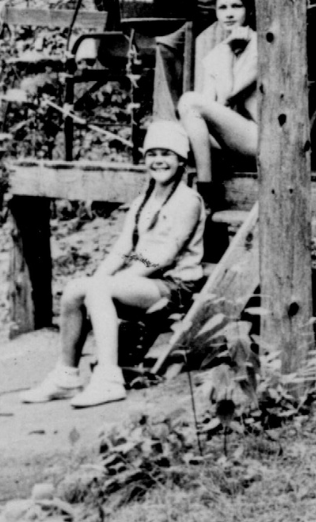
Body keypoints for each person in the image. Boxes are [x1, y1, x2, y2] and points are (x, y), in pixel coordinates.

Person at [20, 120, 205, 408]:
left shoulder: (188, 200)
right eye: (152, 153)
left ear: (181, 160)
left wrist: (121, 278)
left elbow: (165, 255)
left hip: (174, 287)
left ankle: (108, 379)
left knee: (100, 291)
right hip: (143, 281)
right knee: (75, 289)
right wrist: (99, 277)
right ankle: (66, 375)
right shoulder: (143, 200)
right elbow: (123, 248)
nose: (159, 160)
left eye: (167, 154)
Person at [178, 0, 259, 193]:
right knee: (180, 130)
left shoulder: (260, 45)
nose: (229, 14)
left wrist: (227, 51)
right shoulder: (217, 53)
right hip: (231, 141)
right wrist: (224, 51)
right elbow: (209, 108)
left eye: (236, 6)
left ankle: (206, 187)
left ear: (249, 10)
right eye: (222, 8)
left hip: (259, 138)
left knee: (188, 100)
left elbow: (229, 94)